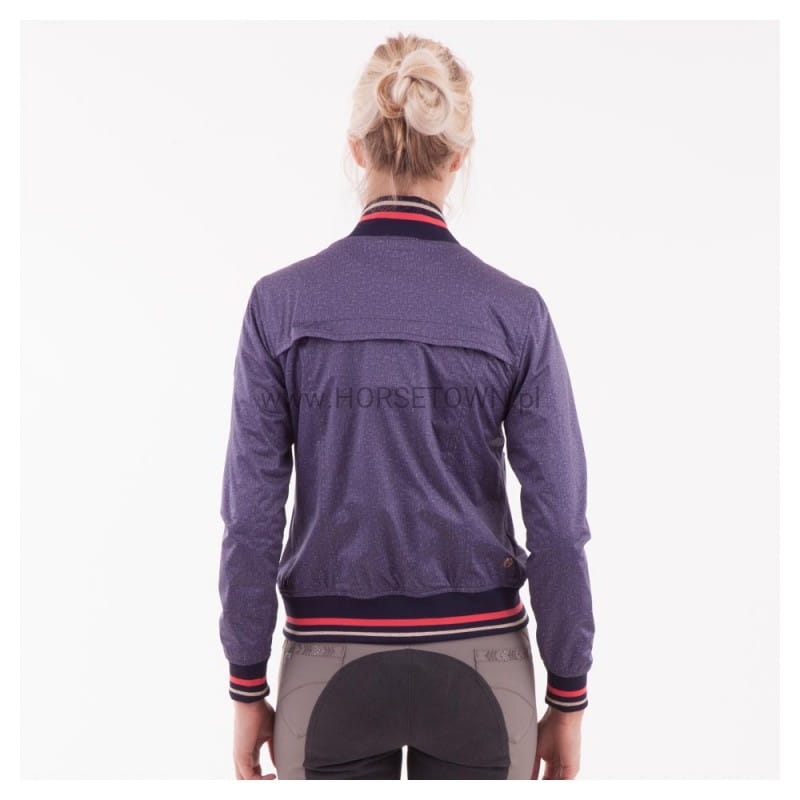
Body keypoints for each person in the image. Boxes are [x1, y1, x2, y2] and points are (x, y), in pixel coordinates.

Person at [218, 31, 595, 781]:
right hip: (483, 667)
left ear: (357, 149)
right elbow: (558, 525)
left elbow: (251, 520)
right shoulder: (515, 314)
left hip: (326, 663)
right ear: (458, 158)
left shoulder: (279, 306)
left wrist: (246, 684)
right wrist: (569, 693)